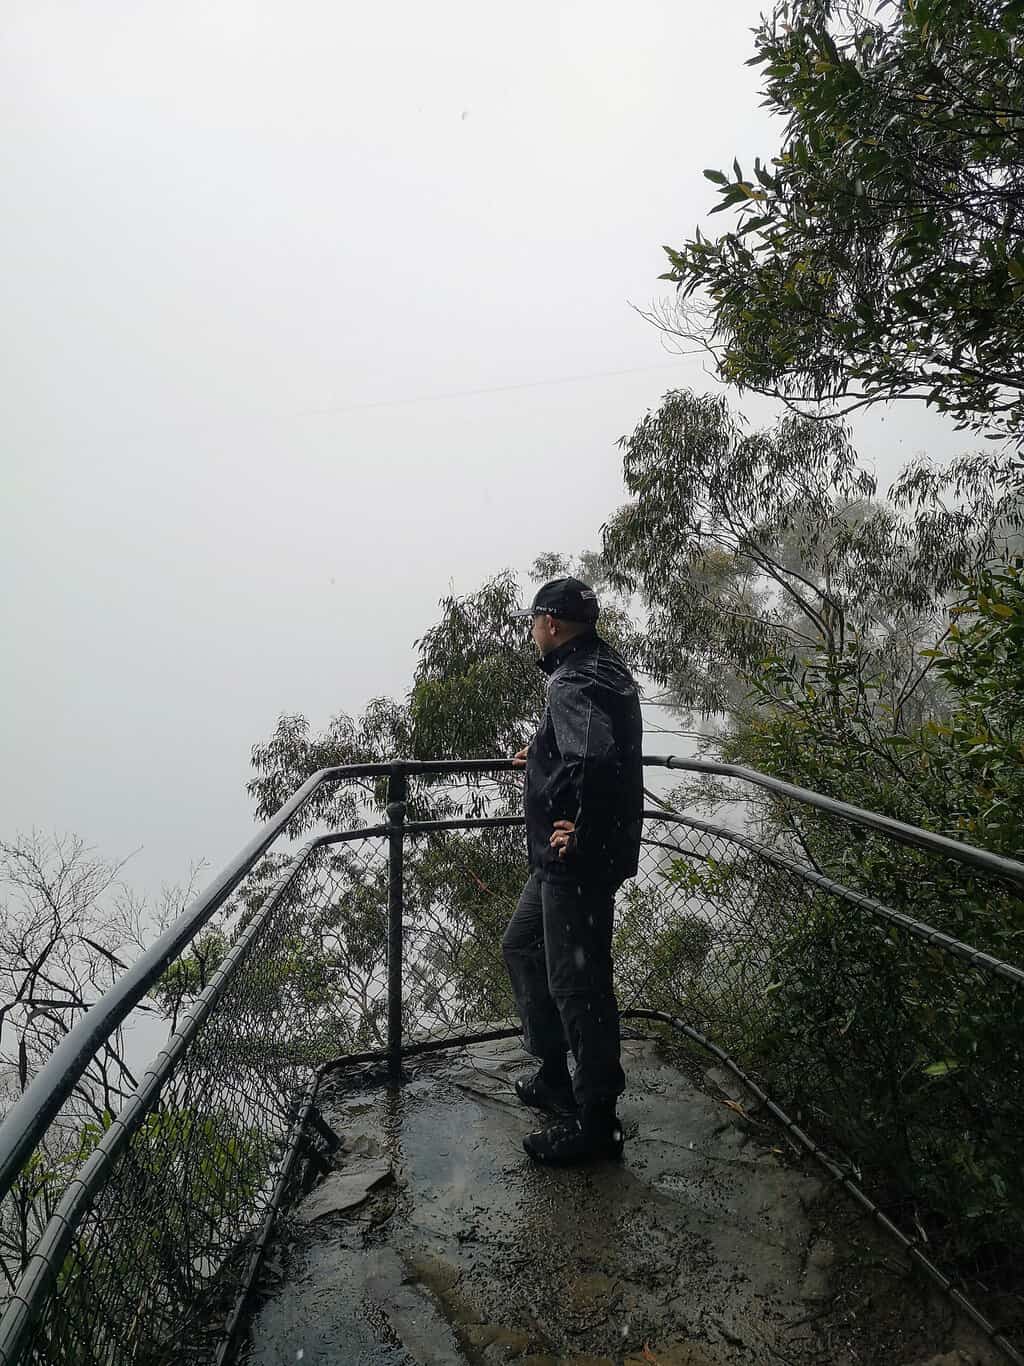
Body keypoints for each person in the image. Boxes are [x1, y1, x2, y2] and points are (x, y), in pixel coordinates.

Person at [502, 576, 643, 1165]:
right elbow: (583, 743)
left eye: (533, 622)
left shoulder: (573, 680)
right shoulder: (601, 666)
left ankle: (595, 1123)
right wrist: (539, 751)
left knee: (578, 986)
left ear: (550, 624)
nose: (532, 632)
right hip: (569, 861)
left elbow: (598, 757)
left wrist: (580, 832)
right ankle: (555, 1073)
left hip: (575, 863)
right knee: (523, 946)